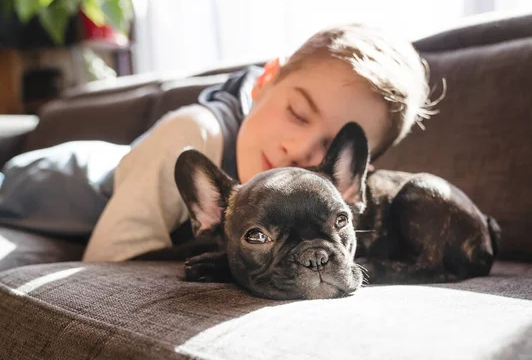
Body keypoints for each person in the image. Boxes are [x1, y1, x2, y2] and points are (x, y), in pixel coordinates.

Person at [0, 23, 437, 262]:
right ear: (264, 83)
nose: (299, 149)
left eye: (331, 149)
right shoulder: (195, 133)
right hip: (53, 179)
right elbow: (109, 259)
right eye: (297, 113)